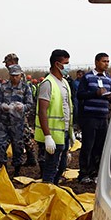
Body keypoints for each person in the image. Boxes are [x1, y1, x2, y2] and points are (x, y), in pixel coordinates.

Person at [35, 49, 75, 184]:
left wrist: (71, 131)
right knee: (51, 167)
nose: (68, 66)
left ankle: (54, 188)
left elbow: (66, 107)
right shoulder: (48, 83)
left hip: (63, 132)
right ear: (57, 64)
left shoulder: (64, 82)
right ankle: (48, 191)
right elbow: (42, 111)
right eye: (66, 63)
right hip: (53, 134)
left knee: (62, 166)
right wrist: (47, 136)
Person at [76, 53, 111, 182]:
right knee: (88, 146)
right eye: (104, 61)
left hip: (103, 117)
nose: (106, 64)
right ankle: (83, 174)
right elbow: (80, 95)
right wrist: (95, 93)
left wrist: (110, 97)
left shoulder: (109, 79)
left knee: (99, 146)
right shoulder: (87, 77)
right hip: (90, 117)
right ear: (97, 62)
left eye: (108, 61)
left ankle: (95, 173)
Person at [0, 64, 33, 176]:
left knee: (18, 146)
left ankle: (17, 169)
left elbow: (30, 104)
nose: (15, 77)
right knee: (0, 145)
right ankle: (3, 168)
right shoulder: (3, 87)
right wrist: (2, 106)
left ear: (21, 75)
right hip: (4, 122)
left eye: (17, 75)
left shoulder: (25, 87)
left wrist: (23, 107)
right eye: (12, 75)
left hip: (18, 123)